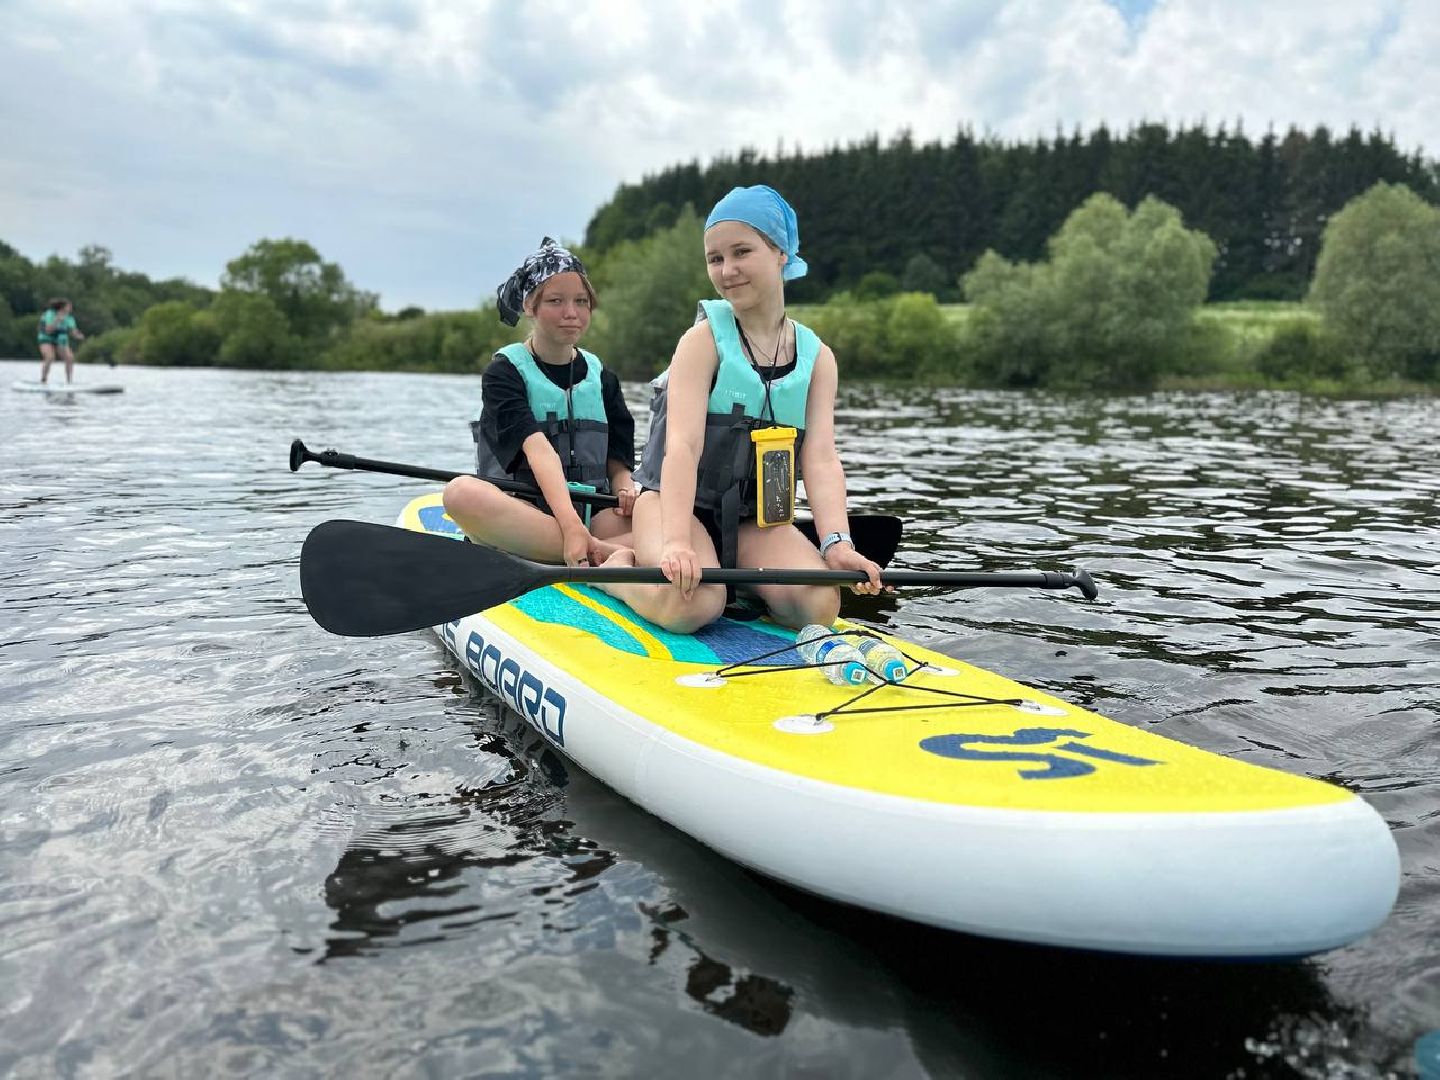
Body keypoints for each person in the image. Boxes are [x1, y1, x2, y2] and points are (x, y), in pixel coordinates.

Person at [597, 185, 883, 633]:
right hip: (674, 508)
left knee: (818, 605)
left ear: (781, 253)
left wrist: (837, 545)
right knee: (692, 604)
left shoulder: (818, 359)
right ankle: (617, 572)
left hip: (753, 521)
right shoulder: (702, 341)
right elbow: (682, 447)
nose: (727, 270)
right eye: (715, 258)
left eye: (741, 252)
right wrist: (676, 542)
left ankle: (742, 583)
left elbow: (822, 459)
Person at [443, 238, 637, 567]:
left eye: (581, 301)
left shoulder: (603, 377)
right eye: (556, 301)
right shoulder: (504, 373)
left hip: (591, 514)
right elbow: (538, 450)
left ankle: (580, 547)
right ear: (530, 307)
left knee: (667, 514)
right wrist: (570, 526)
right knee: (460, 493)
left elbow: (617, 460)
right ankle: (601, 551)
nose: (571, 313)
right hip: (525, 510)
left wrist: (624, 488)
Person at [37, 299, 84, 384]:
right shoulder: (50, 314)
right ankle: (43, 379)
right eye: (68, 306)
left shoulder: (69, 318)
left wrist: (78, 335)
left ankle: (69, 381)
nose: (70, 308)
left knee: (69, 358)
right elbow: (48, 330)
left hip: (60, 339)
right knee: (50, 357)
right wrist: (57, 320)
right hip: (46, 338)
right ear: (62, 307)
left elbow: (73, 331)